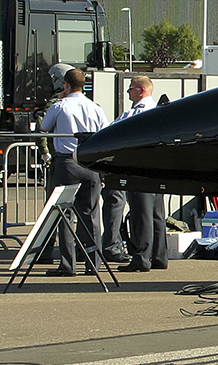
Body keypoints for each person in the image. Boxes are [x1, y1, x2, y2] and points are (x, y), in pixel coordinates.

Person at [40, 66, 108, 276]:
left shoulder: (60, 106)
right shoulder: (95, 107)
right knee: (91, 215)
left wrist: (61, 97)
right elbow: (105, 132)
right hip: (89, 164)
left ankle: (68, 264)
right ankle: (93, 263)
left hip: (67, 163)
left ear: (66, 85)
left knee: (65, 214)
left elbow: (44, 127)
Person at [114, 76, 169, 272]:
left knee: (141, 214)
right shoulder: (158, 110)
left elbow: (116, 134)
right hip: (156, 169)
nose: (129, 92)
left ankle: (141, 258)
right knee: (156, 215)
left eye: (132, 88)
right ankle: (159, 256)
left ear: (142, 90)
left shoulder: (136, 113)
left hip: (138, 168)